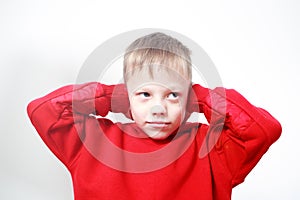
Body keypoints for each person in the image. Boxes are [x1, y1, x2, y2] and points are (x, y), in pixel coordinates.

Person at [27, 32, 281, 200]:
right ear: (126, 97)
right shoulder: (94, 142)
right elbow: (44, 110)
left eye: (172, 95)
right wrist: (110, 96)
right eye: (145, 94)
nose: (158, 108)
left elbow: (262, 129)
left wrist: (200, 98)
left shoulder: (211, 147)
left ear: (188, 97)